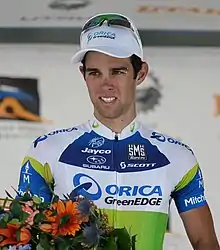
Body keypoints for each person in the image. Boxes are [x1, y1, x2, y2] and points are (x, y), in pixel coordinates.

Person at [17, 13, 219, 250]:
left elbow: (204, 242)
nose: (106, 84)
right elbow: (24, 239)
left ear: (140, 73)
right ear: (84, 75)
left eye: (117, 71)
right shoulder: (47, 151)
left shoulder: (177, 157)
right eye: (95, 73)